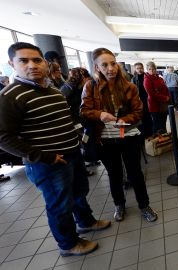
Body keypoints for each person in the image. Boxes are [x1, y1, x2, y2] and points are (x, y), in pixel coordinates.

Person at [0, 42, 111, 257]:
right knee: (59, 205)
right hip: (48, 163)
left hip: (71, 153)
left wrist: (79, 138)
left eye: (37, 60)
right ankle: (68, 244)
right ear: (11, 63)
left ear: (44, 62)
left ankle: (86, 221)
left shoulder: (51, 89)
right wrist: (43, 156)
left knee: (79, 192)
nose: (32, 65)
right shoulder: (10, 96)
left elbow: (64, 118)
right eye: (24, 60)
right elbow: (3, 137)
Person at [80, 48, 158, 223]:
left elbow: (138, 111)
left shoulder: (129, 86)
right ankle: (119, 204)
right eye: (105, 65)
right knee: (114, 174)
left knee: (135, 173)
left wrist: (123, 120)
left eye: (113, 63)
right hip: (104, 139)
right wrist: (100, 115)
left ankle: (144, 206)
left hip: (128, 135)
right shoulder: (90, 86)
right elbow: (84, 111)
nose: (111, 68)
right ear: (97, 67)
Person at [143, 61, 170, 135]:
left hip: (163, 105)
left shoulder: (159, 78)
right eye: (149, 69)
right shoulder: (147, 80)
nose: (151, 71)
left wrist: (168, 96)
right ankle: (158, 142)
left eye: (153, 69)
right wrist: (165, 98)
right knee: (157, 125)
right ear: (147, 70)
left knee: (163, 123)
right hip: (154, 106)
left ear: (155, 69)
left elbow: (165, 88)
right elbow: (151, 94)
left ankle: (165, 140)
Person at [132, 62, 153, 138]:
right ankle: (144, 134)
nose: (140, 70)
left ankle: (150, 133)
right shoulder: (134, 79)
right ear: (135, 69)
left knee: (149, 117)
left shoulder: (147, 76)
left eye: (141, 68)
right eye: (138, 68)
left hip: (148, 99)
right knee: (142, 117)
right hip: (140, 101)